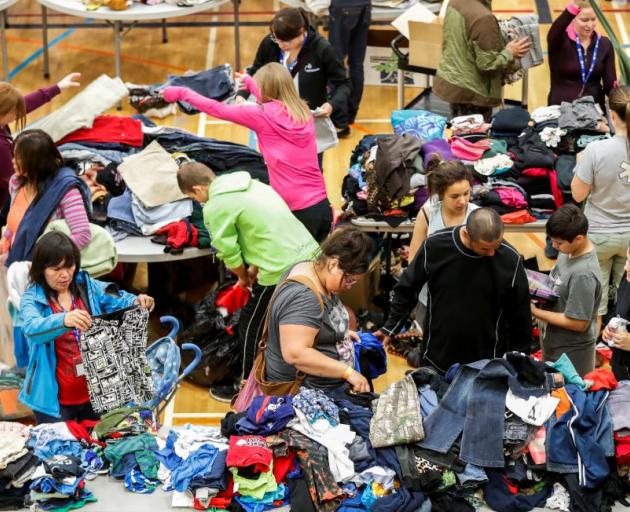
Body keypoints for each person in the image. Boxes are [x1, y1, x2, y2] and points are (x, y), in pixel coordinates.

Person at [176, 161, 320, 401]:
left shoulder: (216, 205)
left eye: (193, 197)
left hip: (281, 268)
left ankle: (244, 385)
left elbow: (228, 251)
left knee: (251, 324)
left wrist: (243, 277)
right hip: (311, 256)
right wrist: (253, 268)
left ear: (198, 189)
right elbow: (261, 230)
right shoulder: (253, 184)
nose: (198, 202)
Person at [163, 63, 332, 242]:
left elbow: (217, 109)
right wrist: (252, 85)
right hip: (322, 207)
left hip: (297, 213)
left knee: (291, 269)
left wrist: (182, 93)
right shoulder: (302, 111)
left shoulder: (260, 116)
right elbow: (277, 103)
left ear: (266, 89)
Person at [375, 208, 532, 374]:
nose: (493, 253)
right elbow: (407, 288)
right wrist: (390, 327)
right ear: (466, 234)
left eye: (497, 245)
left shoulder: (510, 259)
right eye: (485, 249)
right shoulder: (436, 246)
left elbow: (520, 316)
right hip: (437, 357)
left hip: (486, 363)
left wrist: (520, 363)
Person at [19, 232, 154, 424]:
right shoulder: (32, 299)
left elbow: (117, 298)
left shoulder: (87, 286)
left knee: (99, 447)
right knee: (61, 452)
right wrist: (64, 320)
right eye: (56, 269)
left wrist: (137, 300)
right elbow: (32, 329)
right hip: (55, 405)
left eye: (69, 266)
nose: (65, 274)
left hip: (96, 394)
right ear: (41, 269)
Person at [263, 226, 372, 392]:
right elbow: (296, 353)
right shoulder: (304, 297)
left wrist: (336, 333)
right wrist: (347, 372)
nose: (349, 287)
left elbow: (305, 327)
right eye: (349, 280)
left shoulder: (311, 268)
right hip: (302, 392)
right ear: (334, 264)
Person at [235, 8, 352, 139]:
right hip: (273, 122)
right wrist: (241, 95)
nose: (280, 45)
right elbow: (255, 71)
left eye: (286, 41)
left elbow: (343, 85)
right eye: (276, 39)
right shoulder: (270, 43)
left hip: (308, 126)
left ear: (302, 31)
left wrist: (331, 105)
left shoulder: (322, 49)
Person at [571, 86, 630, 322]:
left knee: (597, 299)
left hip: (600, 235)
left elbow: (577, 195)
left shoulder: (595, 150)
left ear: (612, 116)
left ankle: (594, 353)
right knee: (627, 302)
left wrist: (580, 164)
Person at [531, 205, 602, 376]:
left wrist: (534, 312)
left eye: (559, 242)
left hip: (571, 357)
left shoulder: (583, 274)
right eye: (552, 240)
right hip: (554, 346)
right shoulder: (568, 251)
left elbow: (578, 323)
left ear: (578, 239)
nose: (554, 246)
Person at [2, 129, 91, 265]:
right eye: (14, 155)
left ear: (35, 161)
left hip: (45, 269)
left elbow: (83, 235)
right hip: (14, 261)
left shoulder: (65, 190)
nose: (13, 161)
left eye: (18, 157)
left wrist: (48, 260)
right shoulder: (16, 182)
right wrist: (6, 238)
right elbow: (14, 224)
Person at [433, 0, 531, 121]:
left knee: (459, 136)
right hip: (473, 93)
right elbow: (488, 65)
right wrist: (509, 53)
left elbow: (467, 38)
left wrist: (497, 33)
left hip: (455, 84)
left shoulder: (455, 2)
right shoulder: (483, 18)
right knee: (473, 138)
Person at [0, 73, 81, 213]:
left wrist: (58, 87)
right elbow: (13, 181)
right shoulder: (1, 147)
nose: (18, 114)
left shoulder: (2, 120)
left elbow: (25, 103)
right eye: (13, 111)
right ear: (3, 111)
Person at [547, 0, 616, 111]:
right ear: (573, 17)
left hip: (594, 112)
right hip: (562, 110)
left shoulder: (604, 44)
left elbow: (610, 86)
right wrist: (574, 6)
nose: (589, 25)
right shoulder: (559, 40)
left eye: (593, 19)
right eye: (584, 20)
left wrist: (622, 93)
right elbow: (555, 30)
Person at [409, 158, 478, 261]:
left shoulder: (477, 215)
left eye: (466, 193)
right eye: (455, 197)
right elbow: (413, 259)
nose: (463, 201)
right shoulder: (427, 214)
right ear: (441, 194)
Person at [327, 0, 371, 132]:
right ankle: (350, 115)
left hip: (343, 6)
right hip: (365, 5)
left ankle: (340, 120)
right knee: (357, 64)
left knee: (336, 62)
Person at [602, 247, 630, 380]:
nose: (625, 267)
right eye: (628, 260)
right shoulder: (628, 277)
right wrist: (608, 327)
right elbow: (617, 309)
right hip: (620, 367)